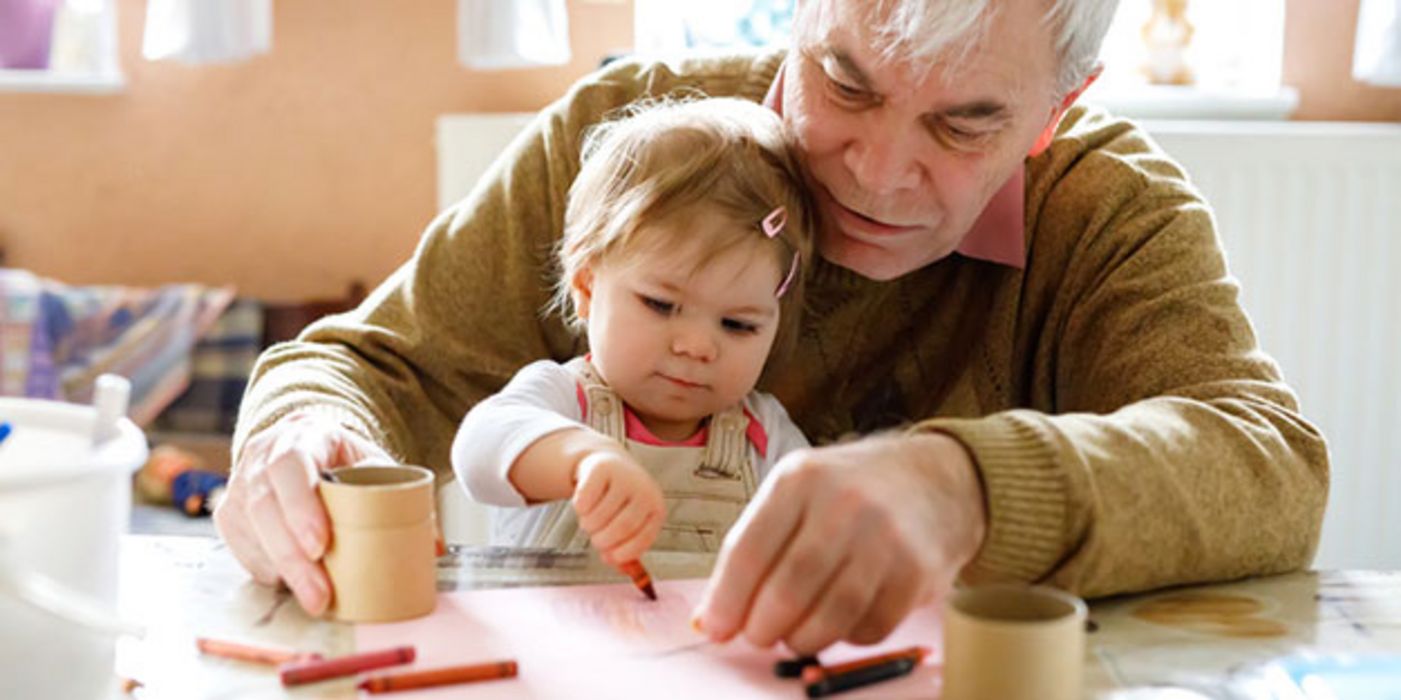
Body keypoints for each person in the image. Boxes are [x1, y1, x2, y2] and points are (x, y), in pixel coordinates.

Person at [216, 0, 1328, 657]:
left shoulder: (1107, 212)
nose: (881, 173)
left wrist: (964, 485)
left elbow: (1268, 465)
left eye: (964, 121)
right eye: (844, 80)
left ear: (1058, 112)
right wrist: (303, 431)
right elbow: (367, 364)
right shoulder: (634, 142)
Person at [450, 97, 814, 565]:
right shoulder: (564, 399)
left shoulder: (763, 435)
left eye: (738, 324)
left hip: (704, 637)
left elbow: (819, 522)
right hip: (559, 637)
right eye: (661, 305)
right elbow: (477, 451)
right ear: (586, 286)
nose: (697, 346)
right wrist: (581, 459)